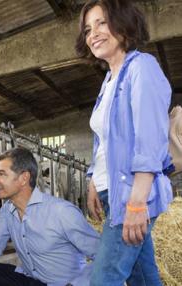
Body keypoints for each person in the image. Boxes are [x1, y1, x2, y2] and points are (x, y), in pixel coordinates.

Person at [75, 0, 173, 285]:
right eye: (88, 29)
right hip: (111, 193)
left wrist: (136, 205)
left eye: (102, 23)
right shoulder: (108, 81)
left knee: (103, 279)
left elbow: (149, 141)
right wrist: (94, 180)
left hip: (131, 194)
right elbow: (104, 142)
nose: (93, 33)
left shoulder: (142, 68)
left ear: (124, 24)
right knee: (142, 277)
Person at [0, 147, 100, 286]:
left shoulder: (61, 212)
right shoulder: (7, 211)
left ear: (24, 178)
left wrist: (77, 284)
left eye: (1, 174)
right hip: (31, 280)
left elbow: (104, 256)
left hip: (62, 284)